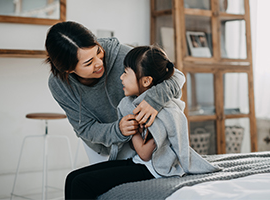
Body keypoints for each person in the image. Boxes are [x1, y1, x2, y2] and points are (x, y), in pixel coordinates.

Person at [64, 45, 220, 199]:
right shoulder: (134, 104)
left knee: (81, 183)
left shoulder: (156, 112)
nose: (121, 77)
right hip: (138, 162)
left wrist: (133, 130)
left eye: (125, 73)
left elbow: (145, 153)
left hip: (152, 169)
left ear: (146, 81)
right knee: (72, 178)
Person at [45, 21, 185, 164]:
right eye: (88, 63)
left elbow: (177, 76)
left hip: (140, 141)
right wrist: (118, 129)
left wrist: (153, 100)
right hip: (101, 146)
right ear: (68, 70)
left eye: (98, 51)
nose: (99, 63)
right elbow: (85, 128)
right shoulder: (59, 85)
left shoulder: (123, 55)